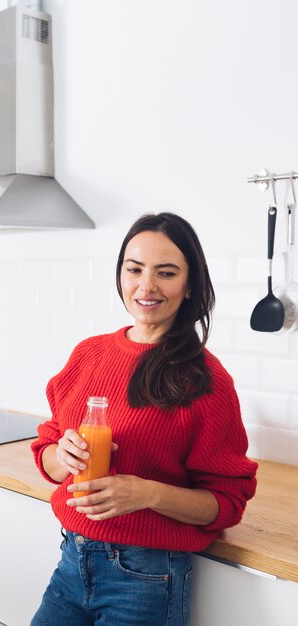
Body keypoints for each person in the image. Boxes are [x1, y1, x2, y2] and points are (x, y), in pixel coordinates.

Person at [30, 212, 258, 626]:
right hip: (71, 561)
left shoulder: (205, 380)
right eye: (134, 269)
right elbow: (46, 451)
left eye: (166, 273)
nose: (146, 286)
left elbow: (227, 504)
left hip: (145, 578)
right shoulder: (89, 354)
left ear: (189, 286)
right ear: (121, 275)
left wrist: (146, 494)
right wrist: (62, 457)